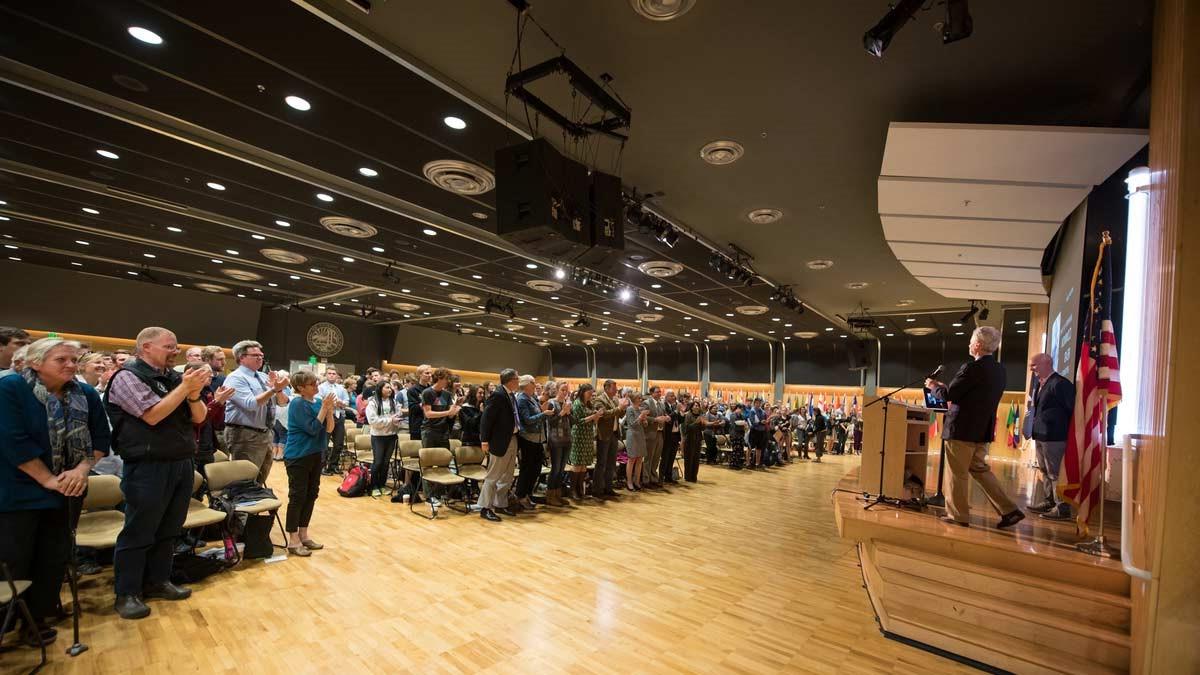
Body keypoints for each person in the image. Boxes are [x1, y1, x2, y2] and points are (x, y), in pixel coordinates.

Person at [0, 338, 110, 645]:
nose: (71, 366)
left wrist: (82, 469)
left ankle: (35, 620)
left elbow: (101, 438)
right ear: (35, 363)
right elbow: (11, 441)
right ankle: (5, 624)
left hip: (69, 490)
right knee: (13, 559)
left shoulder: (85, 393)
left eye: (74, 360)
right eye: (61, 360)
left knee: (52, 558)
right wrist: (48, 478)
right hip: (18, 490)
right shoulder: (11, 389)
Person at [105, 327, 210, 620]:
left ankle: (158, 580)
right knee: (139, 530)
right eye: (169, 346)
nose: (174, 351)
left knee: (169, 528)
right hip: (147, 465)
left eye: (176, 346)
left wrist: (193, 393)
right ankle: (127, 592)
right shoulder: (127, 376)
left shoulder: (175, 378)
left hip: (180, 461)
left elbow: (199, 417)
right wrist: (184, 388)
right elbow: (152, 414)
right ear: (146, 347)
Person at [927, 326, 1024, 529]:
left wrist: (934, 386)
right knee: (980, 469)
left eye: (971, 341)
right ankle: (1009, 509)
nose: (969, 345)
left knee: (957, 473)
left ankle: (957, 516)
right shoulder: (999, 370)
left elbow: (949, 396)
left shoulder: (972, 368)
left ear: (978, 345)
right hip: (982, 430)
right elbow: (974, 395)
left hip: (962, 430)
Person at [282, 371, 336, 557]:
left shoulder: (320, 402)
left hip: (315, 454)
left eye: (316, 383)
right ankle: (293, 539)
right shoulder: (297, 403)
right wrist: (324, 409)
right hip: (298, 455)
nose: (316, 386)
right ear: (301, 388)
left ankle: (304, 534)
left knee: (312, 494)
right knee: (297, 496)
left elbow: (329, 429)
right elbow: (313, 429)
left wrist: (329, 412)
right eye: (312, 384)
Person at [222, 340, 288, 484]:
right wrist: (273, 390)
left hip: (265, 433)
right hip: (245, 434)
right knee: (244, 479)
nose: (260, 358)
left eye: (261, 355)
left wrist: (279, 389)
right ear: (241, 357)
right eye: (255, 355)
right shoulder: (235, 378)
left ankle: (255, 503)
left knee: (260, 478)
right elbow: (250, 404)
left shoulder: (263, 377)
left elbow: (282, 403)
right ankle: (242, 506)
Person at [1027, 352, 1076, 521]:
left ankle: (1062, 508)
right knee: (1044, 470)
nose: (1031, 369)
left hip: (1054, 436)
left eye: (1034, 365)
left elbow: (1072, 409)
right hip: (1040, 435)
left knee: (1055, 472)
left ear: (1047, 363)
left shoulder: (1060, 384)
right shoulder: (1039, 383)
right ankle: (1049, 502)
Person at [477, 369, 521, 522]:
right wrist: (484, 440)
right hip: (499, 440)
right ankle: (485, 508)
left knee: (508, 475)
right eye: (517, 378)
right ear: (511, 380)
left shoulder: (510, 395)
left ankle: (500, 504)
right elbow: (486, 419)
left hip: (512, 438)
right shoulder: (498, 395)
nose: (519, 381)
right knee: (493, 476)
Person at [420, 367, 459, 506]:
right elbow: (428, 414)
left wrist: (454, 411)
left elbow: (449, 414)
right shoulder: (427, 392)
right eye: (447, 378)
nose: (448, 381)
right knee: (428, 464)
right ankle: (429, 496)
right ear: (440, 378)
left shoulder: (447, 394)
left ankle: (439, 493)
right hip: (429, 431)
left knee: (444, 463)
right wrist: (448, 412)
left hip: (443, 431)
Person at [514, 374, 550, 510]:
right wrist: (543, 414)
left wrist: (542, 410)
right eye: (533, 383)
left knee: (536, 468)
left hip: (537, 437)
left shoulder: (532, 398)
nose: (535, 385)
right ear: (526, 384)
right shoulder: (522, 399)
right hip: (528, 438)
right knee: (527, 469)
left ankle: (527, 493)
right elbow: (527, 420)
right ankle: (521, 495)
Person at [365, 380, 403, 497]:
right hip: (378, 436)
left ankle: (382, 485)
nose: (390, 390)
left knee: (386, 462)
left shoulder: (394, 402)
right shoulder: (373, 403)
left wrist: (397, 421)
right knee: (378, 462)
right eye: (387, 387)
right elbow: (373, 421)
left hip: (391, 436)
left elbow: (397, 416)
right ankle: (373, 486)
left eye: (390, 388)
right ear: (380, 389)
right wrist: (390, 420)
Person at [568, 383, 604, 500]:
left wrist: (597, 416)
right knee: (577, 464)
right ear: (583, 392)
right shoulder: (577, 403)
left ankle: (580, 490)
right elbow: (578, 421)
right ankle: (572, 490)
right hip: (579, 435)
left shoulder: (588, 403)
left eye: (592, 393)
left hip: (587, 435)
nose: (591, 395)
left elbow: (592, 418)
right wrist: (593, 417)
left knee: (583, 465)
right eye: (589, 393)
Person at [591, 379, 625, 499]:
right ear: (606, 388)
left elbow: (619, 414)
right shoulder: (599, 400)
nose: (616, 390)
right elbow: (604, 415)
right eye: (614, 387)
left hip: (614, 434)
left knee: (611, 463)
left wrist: (623, 407)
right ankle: (597, 489)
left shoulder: (615, 399)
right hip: (604, 435)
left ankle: (608, 488)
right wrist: (619, 408)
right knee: (601, 463)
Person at [543, 380, 572, 506]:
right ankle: (550, 496)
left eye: (566, 390)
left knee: (561, 470)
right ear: (557, 390)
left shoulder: (567, 403)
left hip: (567, 439)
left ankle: (557, 494)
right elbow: (551, 423)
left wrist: (569, 413)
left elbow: (574, 421)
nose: (564, 393)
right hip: (555, 440)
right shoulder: (551, 403)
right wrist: (562, 413)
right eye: (562, 390)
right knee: (555, 469)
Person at [317, 367, 350, 475]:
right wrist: (330, 404)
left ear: (337, 376)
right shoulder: (321, 387)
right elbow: (318, 401)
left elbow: (347, 402)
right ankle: (321, 467)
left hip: (339, 416)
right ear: (326, 375)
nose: (331, 375)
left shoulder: (341, 388)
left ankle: (333, 466)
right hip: (326, 416)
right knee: (324, 444)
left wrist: (341, 403)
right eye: (329, 373)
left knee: (338, 444)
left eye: (333, 373)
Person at [643, 386, 669, 487]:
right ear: (651, 393)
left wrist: (666, 417)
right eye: (657, 392)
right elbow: (643, 416)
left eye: (660, 392)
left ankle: (654, 478)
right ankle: (646, 479)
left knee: (656, 457)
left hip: (660, 433)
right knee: (648, 458)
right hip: (650, 433)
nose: (659, 394)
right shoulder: (647, 403)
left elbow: (663, 414)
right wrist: (655, 419)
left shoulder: (661, 404)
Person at [623, 391, 649, 490]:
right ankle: (629, 482)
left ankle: (636, 481)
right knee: (632, 459)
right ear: (634, 399)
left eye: (641, 398)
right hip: (632, 435)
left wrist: (645, 420)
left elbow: (644, 425)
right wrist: (640, 417)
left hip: (640, 435)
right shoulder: (630, 409)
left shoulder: (640, 409)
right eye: (639, 398)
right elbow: (632, 424)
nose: (641, 400)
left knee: (639, 459)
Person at [681, 401, 705, 482]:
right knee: (689, 459)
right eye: (695, 405)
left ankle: (694, 476)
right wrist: (696, 423)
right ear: (691, 407)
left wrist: (703, 424)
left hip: (698, 439)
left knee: (696, 459)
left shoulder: (700, 416)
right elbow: (686, 428)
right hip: (689, 439)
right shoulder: (688, 415)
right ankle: (688, 477)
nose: (697, 407)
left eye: (698, 405)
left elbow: (702, 429)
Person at [270, 381, 292, 462]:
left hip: (274, 416)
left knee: (275, 436)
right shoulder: (286, 390)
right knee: (283, 436)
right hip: (282, 416)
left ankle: (274, 454)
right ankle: (279, 455)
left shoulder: (272, 388)